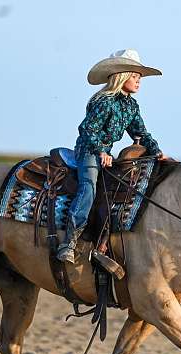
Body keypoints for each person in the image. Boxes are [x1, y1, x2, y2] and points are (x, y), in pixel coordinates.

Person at [57, 49, 164, 263]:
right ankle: (68, 242)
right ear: (122, 76)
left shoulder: (130, 105)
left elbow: (140, 133)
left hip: (105, 154)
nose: (139, 81)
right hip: (88, 150)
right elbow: (87, 130)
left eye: (140, 77)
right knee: (89, 187)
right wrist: (101, 151)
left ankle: (107, 242)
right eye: (135, 76)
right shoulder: (104, 101)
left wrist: (158, 152)